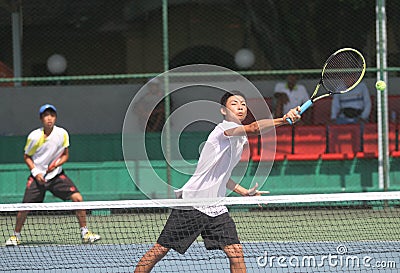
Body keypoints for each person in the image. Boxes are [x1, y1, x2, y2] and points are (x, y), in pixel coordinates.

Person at [133, 91, 301, 273]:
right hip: (193, 204)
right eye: (234, 104)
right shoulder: (223, 129)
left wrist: (243, 191)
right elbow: (253, 127)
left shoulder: (240, 138)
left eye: (243, 104)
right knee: (160, 250)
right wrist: (284, 120)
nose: (240, 107)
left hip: (216, 207)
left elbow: (221, 174)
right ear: (223, 111)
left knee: (236, 253)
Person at [5, 104, 100, 246]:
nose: (49, 118)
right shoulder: (34, 137)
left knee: (78, 198)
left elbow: (65, 155)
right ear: (41, 118)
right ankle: (15, 236)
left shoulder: (62, 134)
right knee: (24, 207)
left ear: (55, 118)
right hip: (38, 178)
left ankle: (85, 233)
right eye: (46, 115)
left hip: (56, 176)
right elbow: (27, 157)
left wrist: (55, 164)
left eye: (52, 115)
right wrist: (36, 173)